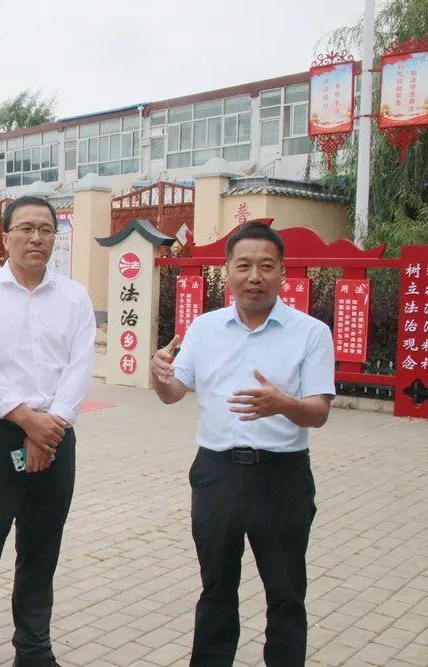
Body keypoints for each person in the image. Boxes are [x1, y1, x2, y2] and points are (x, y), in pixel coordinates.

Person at [150, 220, 335, 667]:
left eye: (266, 266)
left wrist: (283, 403)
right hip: (217, 474)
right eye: (244, 265)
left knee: (286, 592)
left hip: (282, 477)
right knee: (216, 588)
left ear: (282, 272)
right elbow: (173, 393)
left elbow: (319, 412)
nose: (255, 276)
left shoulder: (311, 332)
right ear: (228, 270)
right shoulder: (205, 328)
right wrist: (158, 375)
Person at [0, 195, 96, 667]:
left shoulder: (74, 298)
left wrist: (49, 428)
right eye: (26, 229)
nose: (36, 238)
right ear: (5, 236)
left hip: (56, 437)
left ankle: (33, 649)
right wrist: (27, 420)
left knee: (40, 551)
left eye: (46, 230)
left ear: (56, 237)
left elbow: (80, 365)